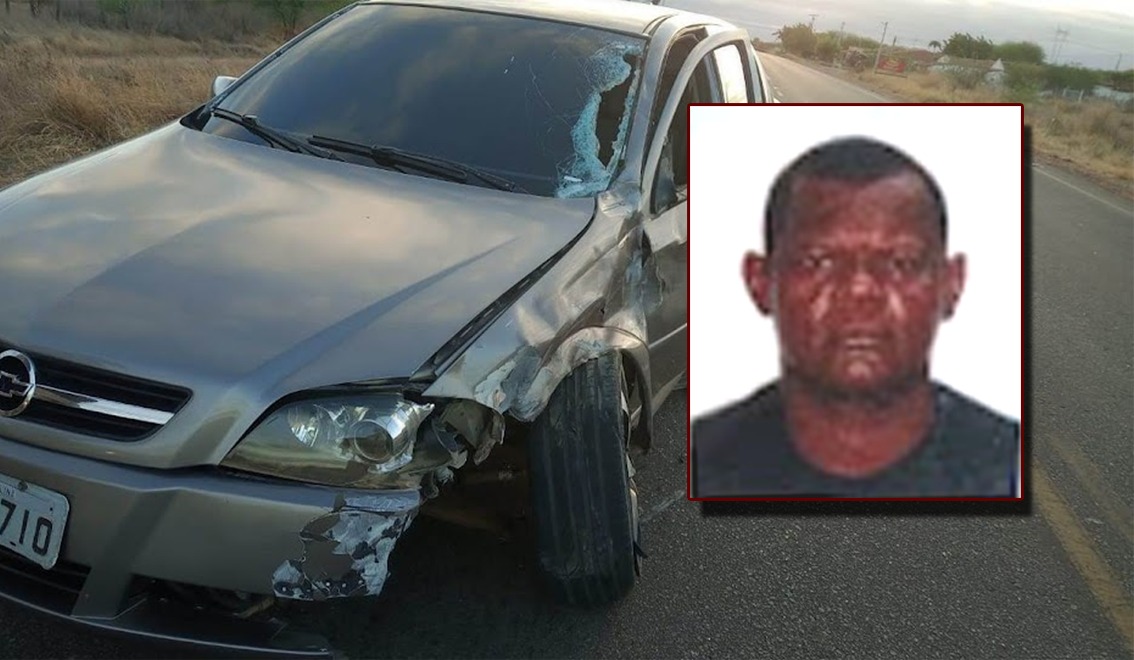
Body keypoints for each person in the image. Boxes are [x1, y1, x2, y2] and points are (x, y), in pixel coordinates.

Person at [692, 136, 1020, 498]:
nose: (859, 292)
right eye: (818, 261)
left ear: (952, 285)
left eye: (901, 263)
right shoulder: (698, 463)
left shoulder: (1012, 467)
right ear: (760, 282)